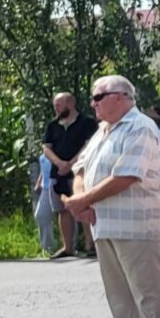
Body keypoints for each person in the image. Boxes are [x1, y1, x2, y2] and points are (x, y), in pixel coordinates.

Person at [67, 77, 160, 318]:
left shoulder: (140, 127)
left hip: (136, 222)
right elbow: (80, 169)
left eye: (98, 97)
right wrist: (82, 200)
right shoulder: (103, 130)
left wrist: (84, 200)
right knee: (118, 290)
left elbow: (127, 175)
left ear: (120, 96)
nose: (93, 103)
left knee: (147, 287)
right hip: (104, 222)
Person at [42, 91, 97, 259]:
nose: (56, 109)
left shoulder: (87, 123)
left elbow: (89, 145)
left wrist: (72, 164)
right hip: (58, 173)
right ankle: (68, 247)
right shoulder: (52, 125)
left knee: (84, 205)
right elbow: (46, 147)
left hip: (80, 173)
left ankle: (90, 244)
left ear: (70, 103)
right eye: (54, 106)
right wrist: (59, 163)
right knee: (62, 209)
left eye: (59, 105)